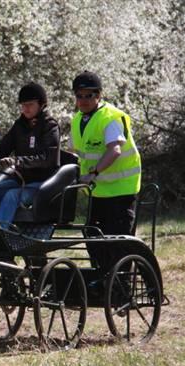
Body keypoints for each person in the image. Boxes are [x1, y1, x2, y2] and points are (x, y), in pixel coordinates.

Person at [70, 71, 142, 273]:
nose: (83, 100)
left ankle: (122, 287)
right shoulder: (77, 120)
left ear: (99, 95)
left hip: (121, 191)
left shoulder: (109, 117)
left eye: (89, 95)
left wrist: (93, 173)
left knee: (117, 241)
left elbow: (115, 150)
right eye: (79, 95)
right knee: (93, 238)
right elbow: (78, 153)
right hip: (97, 192)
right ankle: (102, 280)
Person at [0, 82, 60, 228]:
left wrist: (17, 161)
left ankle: (0, 236)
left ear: (42, 104)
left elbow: (48, 158)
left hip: (43, 184)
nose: (25, 109)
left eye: (30, 104)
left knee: (11, 196)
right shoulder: (20, 125)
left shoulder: (50, 126)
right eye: (23, 105)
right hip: (20, 179)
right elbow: (3, 149)